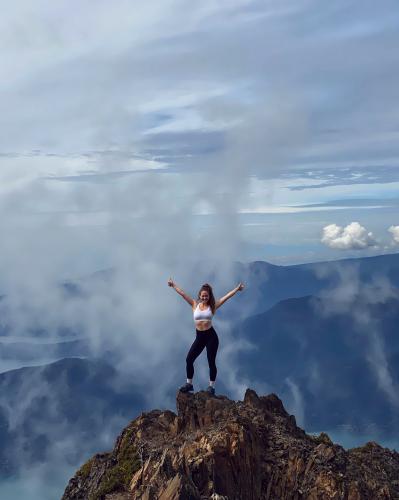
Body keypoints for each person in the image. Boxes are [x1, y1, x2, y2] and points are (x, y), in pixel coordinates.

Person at [167, 278, 245, 395]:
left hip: (211, 337)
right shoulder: (194, 304)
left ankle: (211, 387)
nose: (204, 298)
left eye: (206, 296)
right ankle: (189, 384)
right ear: (199, 295)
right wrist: (173, 285)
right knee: (189, 359)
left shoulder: (213, 306)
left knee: (211, 362)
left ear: (209, 296)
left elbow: (226, 297)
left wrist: (237, 289)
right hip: (199, 337)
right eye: (203, 296)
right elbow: (183, 294)